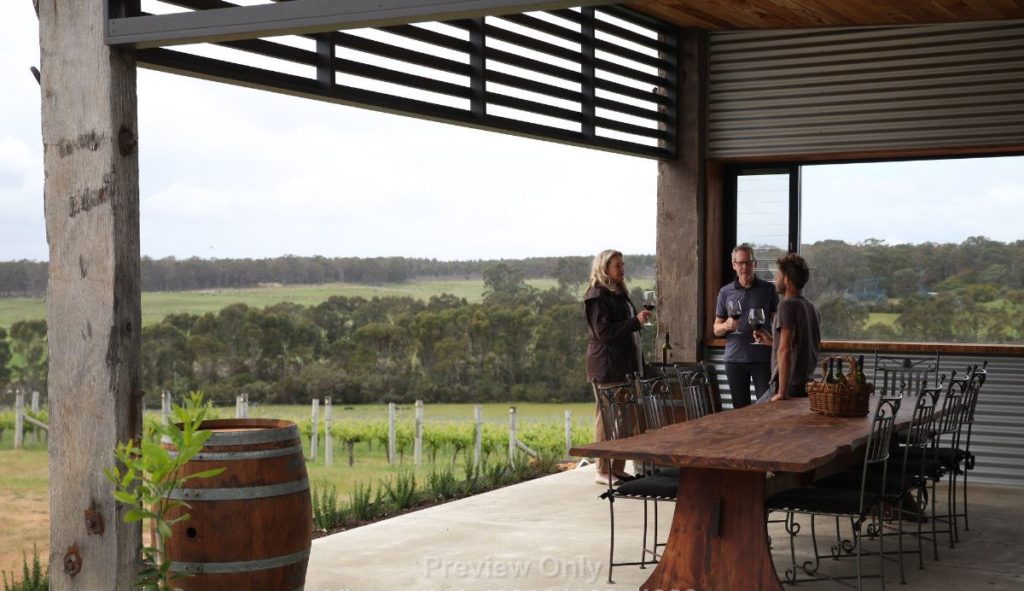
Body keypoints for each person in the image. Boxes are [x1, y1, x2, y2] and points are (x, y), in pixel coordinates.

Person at [584, 249, 651, 485]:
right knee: (607, 418)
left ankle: (618, 467)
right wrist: (635, 322)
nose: (622, 269)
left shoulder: (618, 293)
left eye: (623, 265)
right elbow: (603, 333)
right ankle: (602, 469)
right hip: (606, 366)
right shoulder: (597, 296)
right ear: (604, 268)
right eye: (617, 266)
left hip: (623, 365)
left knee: (624, 418)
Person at [712, 244, 778, 409]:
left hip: (762, 359)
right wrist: (726, 325)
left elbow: (777, 323)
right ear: (733, 265)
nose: (744, 267)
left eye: (748, 262)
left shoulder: (768, 289)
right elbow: (716, 329)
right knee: (740, 412)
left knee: (767, 408)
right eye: (740, 263)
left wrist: (776, 342)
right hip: (734, 360)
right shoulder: (725, 292)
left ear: (754, 263)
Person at [753, 253, 821, 402]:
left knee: (747, 420)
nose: (775, 279)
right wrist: (772, 342)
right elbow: (800, 346)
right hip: (805, 386)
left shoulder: (785, 306)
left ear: (786, 280)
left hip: (787, 387)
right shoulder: (812, 308)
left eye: (778, 275)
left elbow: (785, 350)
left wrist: (782, 393)